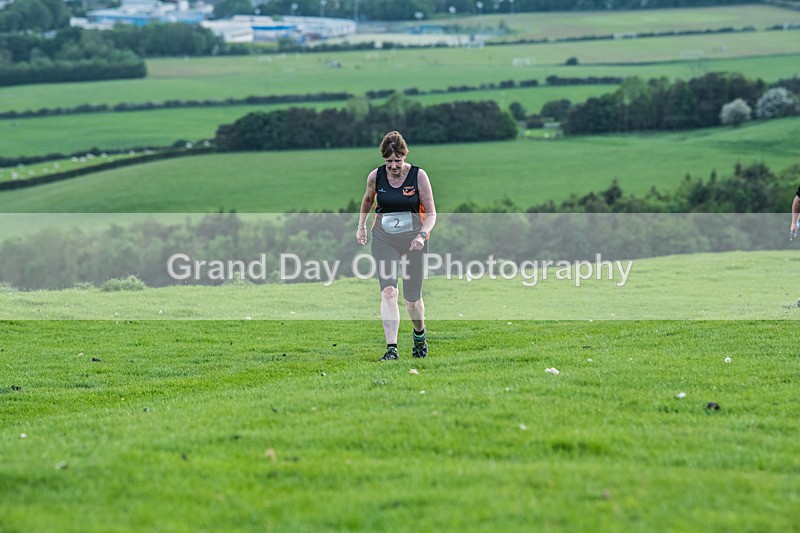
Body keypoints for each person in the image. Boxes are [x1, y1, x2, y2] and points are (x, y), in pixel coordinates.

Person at [356, 131, 437, 361]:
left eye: (397, 160)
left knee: (413, 300)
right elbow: (368, 200)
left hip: (414, 241)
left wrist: (422, 235)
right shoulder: (376, 176)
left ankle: (419, 335)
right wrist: (361, 226)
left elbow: (431, 214)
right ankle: (391, 349)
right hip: (384, 238)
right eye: (389, 161)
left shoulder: (419, 176)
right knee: (389, 291)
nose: (393, 166)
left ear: (404, 156)